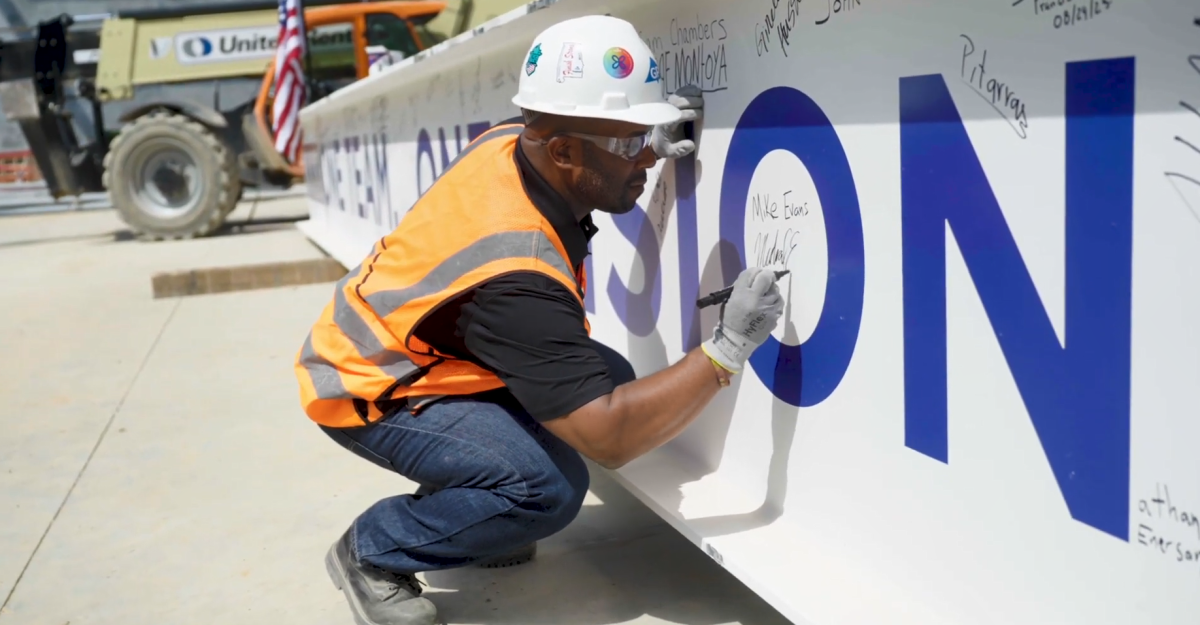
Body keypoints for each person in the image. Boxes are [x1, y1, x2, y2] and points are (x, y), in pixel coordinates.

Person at [294, 14, 786, 625]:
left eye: (643, 139)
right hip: (367, 386)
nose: (646, 162)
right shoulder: (515, 275)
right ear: (562, 150)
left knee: (607, 372)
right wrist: (727, 348)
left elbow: (585, 149)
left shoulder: (518, 140)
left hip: (427, 353)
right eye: (630, 145)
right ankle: (374, 550)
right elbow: (613, 440)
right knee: (548, 489)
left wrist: (634, 145)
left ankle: (473, 512)